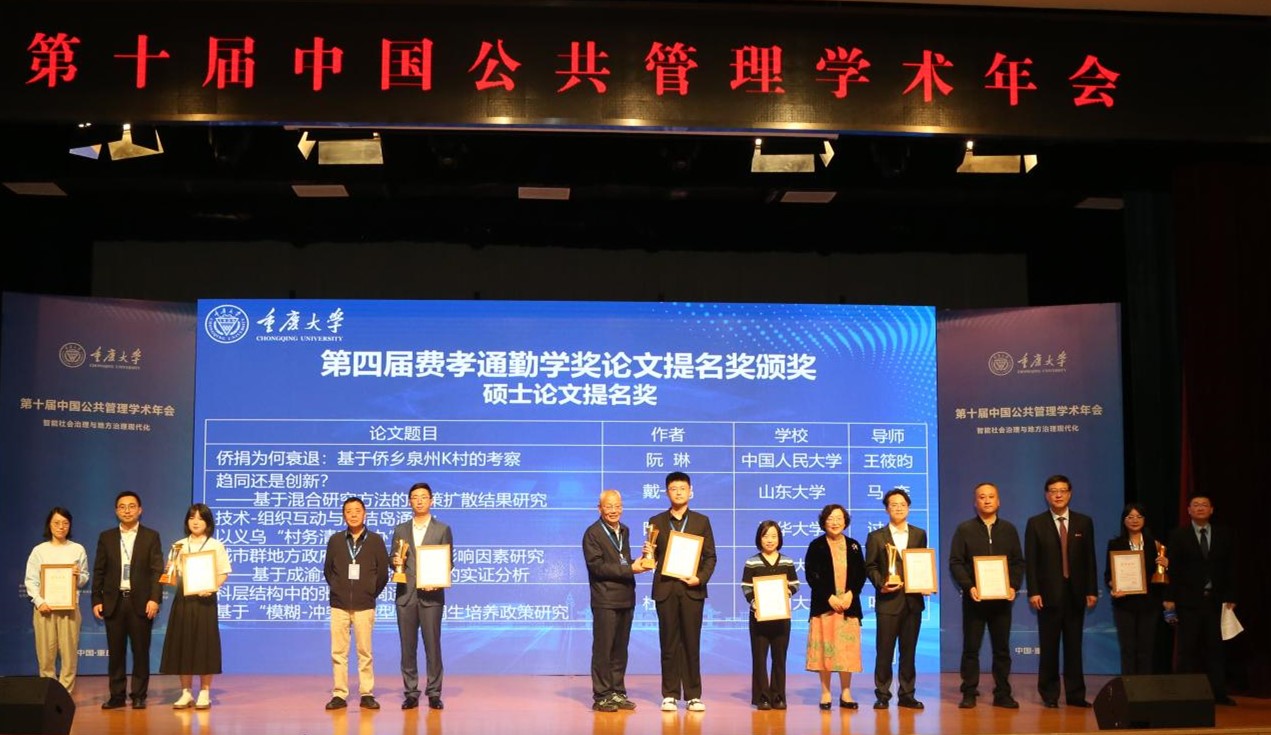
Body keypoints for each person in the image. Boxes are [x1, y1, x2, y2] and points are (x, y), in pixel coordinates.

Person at [948, 482, 1024, 709]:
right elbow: (956, 562)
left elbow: (1018, 562)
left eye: (991, 496)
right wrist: (969, 586)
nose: (987, 500)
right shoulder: (965, 529)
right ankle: (969, 692)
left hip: (1001, 601)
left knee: (1002, 649)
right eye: (982, 497)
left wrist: (1013, 586)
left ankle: (1002, 693)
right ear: (975, 502)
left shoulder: (1009, 529)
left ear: (998, 501)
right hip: (975, 600)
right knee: (971, 649)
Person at [1024, 474, 1097, 708]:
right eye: (1053, 491)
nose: (1058, 495)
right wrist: (1033, 591)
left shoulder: (1084, 522)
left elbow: (1090, 559)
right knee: (1049, 647)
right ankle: (1049, 694)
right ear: (1047, 495)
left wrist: (1091, 590)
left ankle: (1076, 695)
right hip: (1047, 596)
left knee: (1074, 647)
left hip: (1076, 594)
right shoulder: (1036, 523)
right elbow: (1031, 562)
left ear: (1070, 494)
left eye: (1062, 491)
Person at [647, 471, 717, 713]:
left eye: (682, 488)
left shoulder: (701, 521)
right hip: (666, 589)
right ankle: (669, 694)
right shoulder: (656, 521)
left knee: (691, 643)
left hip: (691, 589)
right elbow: (652, 557)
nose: (678, 492)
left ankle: (693, 695)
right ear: (667, 492)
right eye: (673, 489)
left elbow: (710, 556)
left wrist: (700, 578)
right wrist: (648, 555)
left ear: (690, 491)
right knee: (668, 643)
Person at [582, 489, 654, 712]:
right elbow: (598, 567)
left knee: (620, 650)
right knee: (603, 649)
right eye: (608, 506)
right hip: (605, 599)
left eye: (617, 506)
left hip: (626, 598)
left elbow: (621, 561)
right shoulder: (592, 533)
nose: (613, 510)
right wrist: (630, 568)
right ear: (599, 508)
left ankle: (617, 692)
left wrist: (640, 562)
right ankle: (602, 696)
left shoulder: (624, 530)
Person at [92, 491, 164, 710]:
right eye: (122, 507)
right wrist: (96, 599)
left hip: (140, 602)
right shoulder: (106, 537)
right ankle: (117, 695)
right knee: (116, 653)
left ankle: (139, 695)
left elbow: (156, 571)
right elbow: (99, 570)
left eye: (132, 506)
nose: (127, 510)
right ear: (116, 511)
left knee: (141, 652)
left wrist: (155, 599)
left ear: (140, 510)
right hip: (114, 602)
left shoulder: (151, 536)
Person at [1164, 493, 1237, 705]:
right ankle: (1183, 694)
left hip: (1216, 601)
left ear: (1211, 509)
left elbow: (1231, 567)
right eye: (1195, 505)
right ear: (1189, 510)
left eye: (1204, 505)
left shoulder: (1224, 534)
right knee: (1187, 650)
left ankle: (1218, 693)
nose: (1200, 508)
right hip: (1188, 602)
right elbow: (1173, 570)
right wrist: (1170, 598)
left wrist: (1231, 595)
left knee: (1216, 649)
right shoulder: (1179, 535)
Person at [160, 503, 232, 709]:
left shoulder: (215, 545)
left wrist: (212, 587)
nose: (196, 522)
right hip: (184, 601)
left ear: (208, 522)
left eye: (200, 518)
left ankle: (204, 691)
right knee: (183, 644)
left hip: (205, 602)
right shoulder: (179, 545)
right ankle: (185, 692)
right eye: (192, 518)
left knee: (204, 645)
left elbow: (223, 573)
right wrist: (169, 572)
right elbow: (171, 578)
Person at [391, 482, 453, 711]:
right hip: (405, 595)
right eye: (415, 497)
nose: (419, 500)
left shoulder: (442, 529)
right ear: (410, 502)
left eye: (423, 497)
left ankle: (434, 693)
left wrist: (436, 579)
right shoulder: (400, 529)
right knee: (407, 647)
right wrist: (394, 561)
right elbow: (394, 560)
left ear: (431, 501)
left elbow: (448, 561)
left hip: (432, 597)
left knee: (432, 646)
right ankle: (411, 692)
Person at [323, 496, 389, 711]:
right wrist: (339, 589)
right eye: (349, 511)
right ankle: (339, 694)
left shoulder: (376, 540)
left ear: (365, 514)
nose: (353, 514)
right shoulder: (335, 540)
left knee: (364, 652)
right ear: (344, 515)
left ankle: (366, 693)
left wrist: (369, 593)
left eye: (357, 510)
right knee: (338, 652)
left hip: (364, 605)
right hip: (339, 605)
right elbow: (328, 571)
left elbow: (383, 574)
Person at [864, 488, 928, 710]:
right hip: (888, 602)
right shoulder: (876, 537)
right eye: (894, 505)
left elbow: (922, 562)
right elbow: (870, 566)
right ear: (887, 509)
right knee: (884, 651)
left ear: (908, 508)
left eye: (902, 504)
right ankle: (882, 694)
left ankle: (907, 694)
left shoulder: (919, 534)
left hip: (913, 602)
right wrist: (882, 583)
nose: (899, 508)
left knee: (908, 652)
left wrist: (925, 582)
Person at [804, 503, 866, 710]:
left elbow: (861, 574)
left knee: (846, 650)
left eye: (839, 518)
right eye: (830, 518)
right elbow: (811, 575)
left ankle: (846, 692)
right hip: (825, 606)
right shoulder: (816, 545)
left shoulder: (854, 546)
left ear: (845, 521)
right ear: (823, 522)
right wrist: (829, 597)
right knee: (826, 650)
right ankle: (825, 693)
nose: (835, 522)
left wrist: (850, 594)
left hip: (848, 606)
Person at [24, 507, 90, 693]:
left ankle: (65, 695)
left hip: (69, 608)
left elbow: (84, 578)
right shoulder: (39, 551)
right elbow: (31, 580)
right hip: (45, 609)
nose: (61, 527)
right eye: (56, 523)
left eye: (65, 523)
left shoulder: (77, 549)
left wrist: (78, 575)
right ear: (49, 525)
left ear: (70, 525)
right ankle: (49, 694)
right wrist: (39, 601)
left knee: (69, 656)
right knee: (46, 656)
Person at [741, 520, 799, 710]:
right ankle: (762, 698)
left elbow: (795, 583)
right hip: (759, 617)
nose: (770, 540)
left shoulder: (787, 561)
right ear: (759, 538)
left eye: (774, 536)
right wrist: (754, 602)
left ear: (779, 538)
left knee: (779, 658)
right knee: (759, 659)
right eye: (765, 536)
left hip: (781, 617)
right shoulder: (752, 561)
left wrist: (788, 592)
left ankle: (778, 697)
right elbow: (746, 587)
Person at [1105, 502, 1168, 676]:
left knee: (1146, 649)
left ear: (1144, 520)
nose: (1134, 520)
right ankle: (1129, 686)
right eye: (1130, 517)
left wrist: (1166, 564)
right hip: (1124, 604)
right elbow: (1108, 575)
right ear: (1124, 520)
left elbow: (1162, 575)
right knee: (1128, 649)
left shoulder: (1155, 545)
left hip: (1149, 604)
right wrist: (1114, 586)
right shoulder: (1115, 544)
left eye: (1139, 517)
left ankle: (1144, 687)